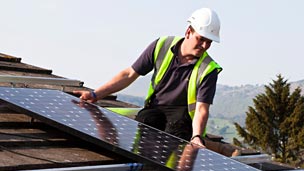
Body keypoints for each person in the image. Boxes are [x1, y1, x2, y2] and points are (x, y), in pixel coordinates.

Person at [75, 7, 222, 148]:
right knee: (146, 123)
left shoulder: (208, 69)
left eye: (209, 42)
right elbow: (129, 74)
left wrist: (196, 136)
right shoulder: (162, 46)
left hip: (183, 118)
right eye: (201, 39)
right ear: (188, 32)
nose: (204, 45)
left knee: (175, 136)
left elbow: (201, 109)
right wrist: (95, 94)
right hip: (156, 109)